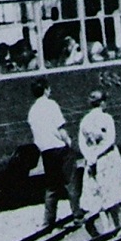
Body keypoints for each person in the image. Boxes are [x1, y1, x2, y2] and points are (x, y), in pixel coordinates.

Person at [27, 78, 80, 227]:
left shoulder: (32, 111)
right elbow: (60, 128)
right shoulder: (51, 105)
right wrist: (68, 141)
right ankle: (77, 215)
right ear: (45, 90)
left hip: (46, 151)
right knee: (71, 182)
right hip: (59, 148)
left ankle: (48, 221)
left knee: (51, 186)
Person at [78, 89, 121, 235]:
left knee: (98, 195)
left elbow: (81, 144)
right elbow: (110, 140)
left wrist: (90, 157)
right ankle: (117, 226)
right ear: (102, 102)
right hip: (107, 159)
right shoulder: (107, 118)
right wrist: (99, 154)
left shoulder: (85, 121)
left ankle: (106, 228)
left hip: (92, 161)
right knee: (112, 193)